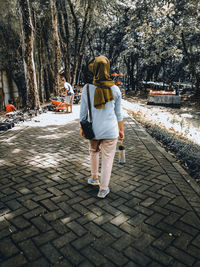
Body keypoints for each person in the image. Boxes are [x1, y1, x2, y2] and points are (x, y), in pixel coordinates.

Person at [80, 56, 124, 198]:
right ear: (107, 69)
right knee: (108, 159)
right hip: (111, 131)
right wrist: (121, 130)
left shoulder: (87, 88)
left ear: (94, 69)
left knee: (93, 152)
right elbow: (119, 114)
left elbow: (82, 113)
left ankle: (94, 178)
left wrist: (82, 127)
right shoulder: (116, 89)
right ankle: (103, 189)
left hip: (94, 130)